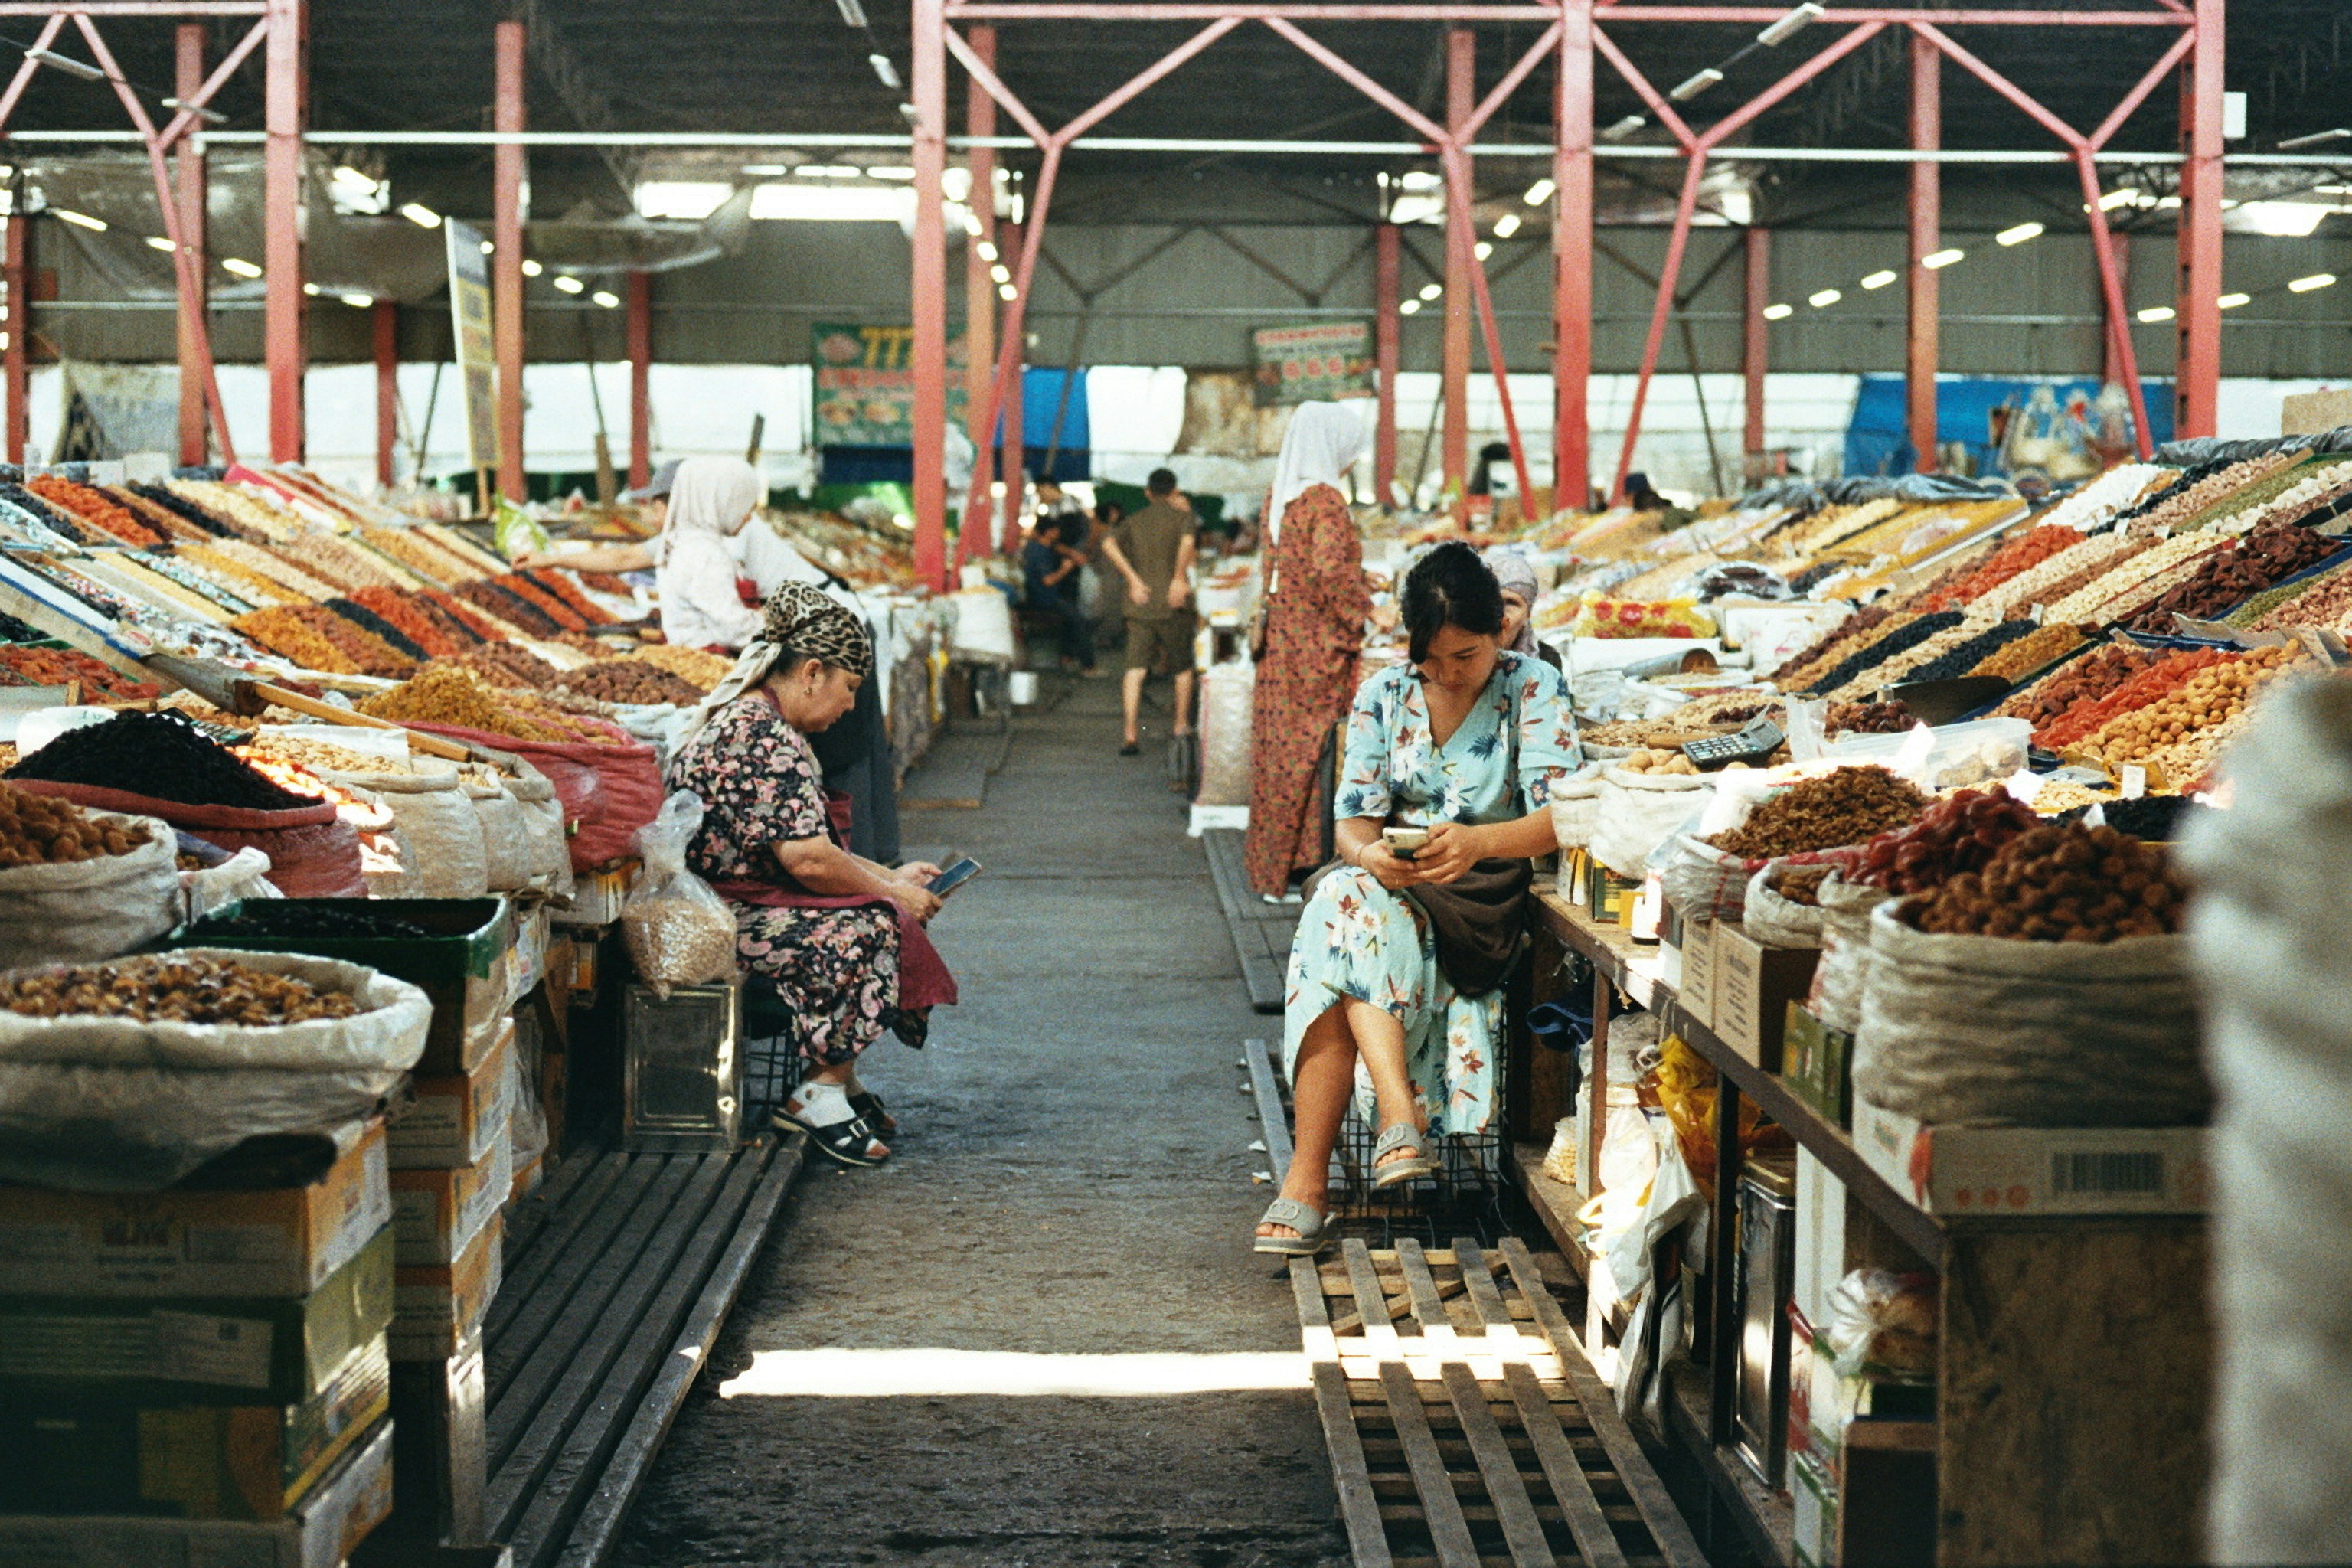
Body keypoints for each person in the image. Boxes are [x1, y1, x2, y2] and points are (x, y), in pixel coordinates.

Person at [1253, 542, 1581, 1255]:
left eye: (1465, 656)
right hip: (1394, 885)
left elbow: (1562, 818)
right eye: (1432, 660)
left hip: (1484, 891)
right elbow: (1353, 826)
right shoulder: (1384, 693)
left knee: (1335, 922)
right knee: (1350, 900)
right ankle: (1395, 1121)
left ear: (1500, 630)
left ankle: (1308, 1183)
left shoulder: (1536, 687)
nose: (1448, 673)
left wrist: (1477, 843)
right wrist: (1374, 855)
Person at [665, 583, 960, 1168]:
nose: (851, 707)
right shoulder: (760, 735)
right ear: (811, 673)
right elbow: (808, 861)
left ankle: (835, 1080)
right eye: (849, 690)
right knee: (870, 928)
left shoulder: (767, 725)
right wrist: (892, 890)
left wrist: (890, 875)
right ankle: (816, 1093)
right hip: (721, 919)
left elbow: (811, 847)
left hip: (740, 903)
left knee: (883, 908)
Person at [1244, 403, 1372, 898]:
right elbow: (1328, 572)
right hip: (1319, 650)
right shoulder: (1325, 501)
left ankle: (1276, 866)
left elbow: (1288, 569)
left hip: (1282, 649)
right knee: (1318, 754)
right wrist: (1366, 611)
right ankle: (1312, 860)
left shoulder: (1280, 495)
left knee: (1282, 756)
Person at [514, 456, 765, 651]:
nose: (654, 518)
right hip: (709, 652)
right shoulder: (695, 547)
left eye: (656, 508)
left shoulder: (692, 542)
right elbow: (733, 630)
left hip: (698, 648)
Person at [1099, 468, 1197, 756]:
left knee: (1135, 669)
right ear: (1175, 490)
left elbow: (1108, 544)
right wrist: (1179, 578)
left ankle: (1130, 733)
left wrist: (1133, 580)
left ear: (1147, 492)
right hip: (1172, 604)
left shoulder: (1135, 520)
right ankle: (1180, 725)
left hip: (1140, 603)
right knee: (1182, 668)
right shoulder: (1184, 518)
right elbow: (1189, 543)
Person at [1022, 515, 1095, 674]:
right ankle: (1088, 666)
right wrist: (1066, 568)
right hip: (1045, 599)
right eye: (1056, 530)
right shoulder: (1041, 553)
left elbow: (1057, 547)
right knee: (1079, 621)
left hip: (1038, 596)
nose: (1059, 533)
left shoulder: (1035, 547)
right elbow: (1048, 581)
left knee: (1071, 617)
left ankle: (1066, 657)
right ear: (1049, 532)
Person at [1485, 547, 1563, 674]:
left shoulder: (1545, 664)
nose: (1498, 613)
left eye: (1510, 603)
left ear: (1528, 615)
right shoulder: (1450, 655)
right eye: (1488, 601)